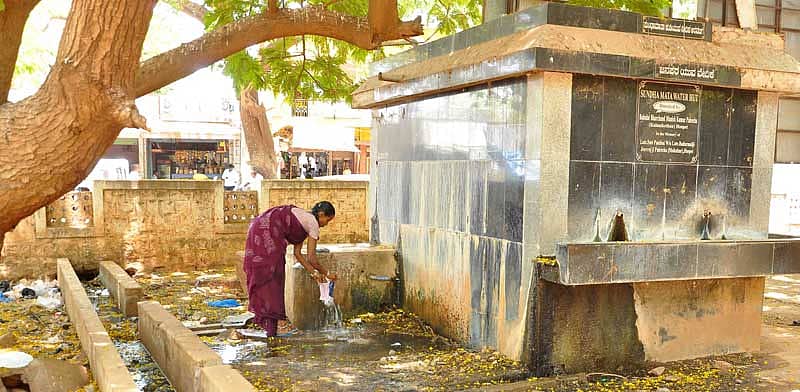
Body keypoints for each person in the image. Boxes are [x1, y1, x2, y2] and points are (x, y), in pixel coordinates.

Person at [243, 201, 336, 337]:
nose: (326, 224)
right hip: (266, 232)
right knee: (273, 278)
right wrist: (327, 273)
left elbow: (297, 254)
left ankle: (270, 329)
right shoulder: (313, 223)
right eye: (327, 220)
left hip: (257, 227)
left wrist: (314, 273)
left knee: (270, 278)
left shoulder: (304, 219)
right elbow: (312, 258)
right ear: (321, 214)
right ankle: (270, 330)